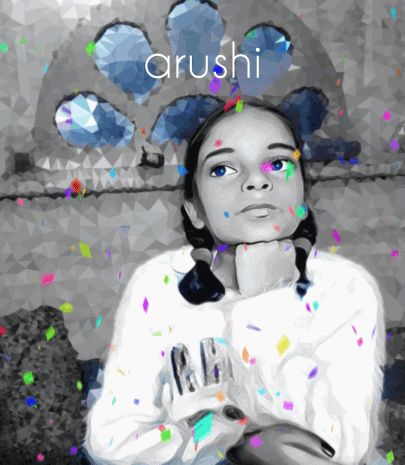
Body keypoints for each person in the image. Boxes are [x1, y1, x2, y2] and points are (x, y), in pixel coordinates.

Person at [83, 102, 387, 465]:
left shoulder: (344, 288)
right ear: (195, 210)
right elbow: (111, 440)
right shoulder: (159, 285)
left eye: (278, 163)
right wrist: (228, 440)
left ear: (302, 197)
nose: (257, 181)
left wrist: (265, 300)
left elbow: (341, 449)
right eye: (223, 168)